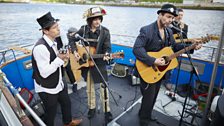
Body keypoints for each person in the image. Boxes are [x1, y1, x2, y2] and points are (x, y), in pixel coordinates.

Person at [132, 4, 202, 126]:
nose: (170, 20)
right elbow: (137, 49)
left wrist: (192, 47)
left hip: (160, 71)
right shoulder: (147, 30)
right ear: (160, 14)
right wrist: (153, 60)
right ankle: (143, 120)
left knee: (153, 96)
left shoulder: (169, 31)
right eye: (168, 17)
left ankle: (146, 114)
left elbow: (175, 48)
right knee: (148, 98)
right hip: (147, 69)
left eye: (172, 18)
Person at [32, 12, 82, 126]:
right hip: (47, 88)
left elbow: (55, 61)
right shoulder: (40, 48)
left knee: (66, 103)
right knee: (51, 113)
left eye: (57, 26)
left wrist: (64, 58)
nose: (58, 29)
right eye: (54, 27)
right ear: (45, 31)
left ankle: (68, 122)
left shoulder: (53, 42)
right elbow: (44, 73)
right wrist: (60, 59)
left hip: (59, 81)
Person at [68, 7, 113, 123]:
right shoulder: (83, 30)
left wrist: (107, 54)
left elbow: (107, 48)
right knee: (89, 88)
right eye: (95, 19)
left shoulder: (105, 32)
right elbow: (71, 39)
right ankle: (91, 108)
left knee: (104, 88)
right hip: (86, 63)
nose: (98, 21)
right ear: (89, 20)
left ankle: (107, 110)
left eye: (99, 19)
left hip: (99, 62)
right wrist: (75, 52)